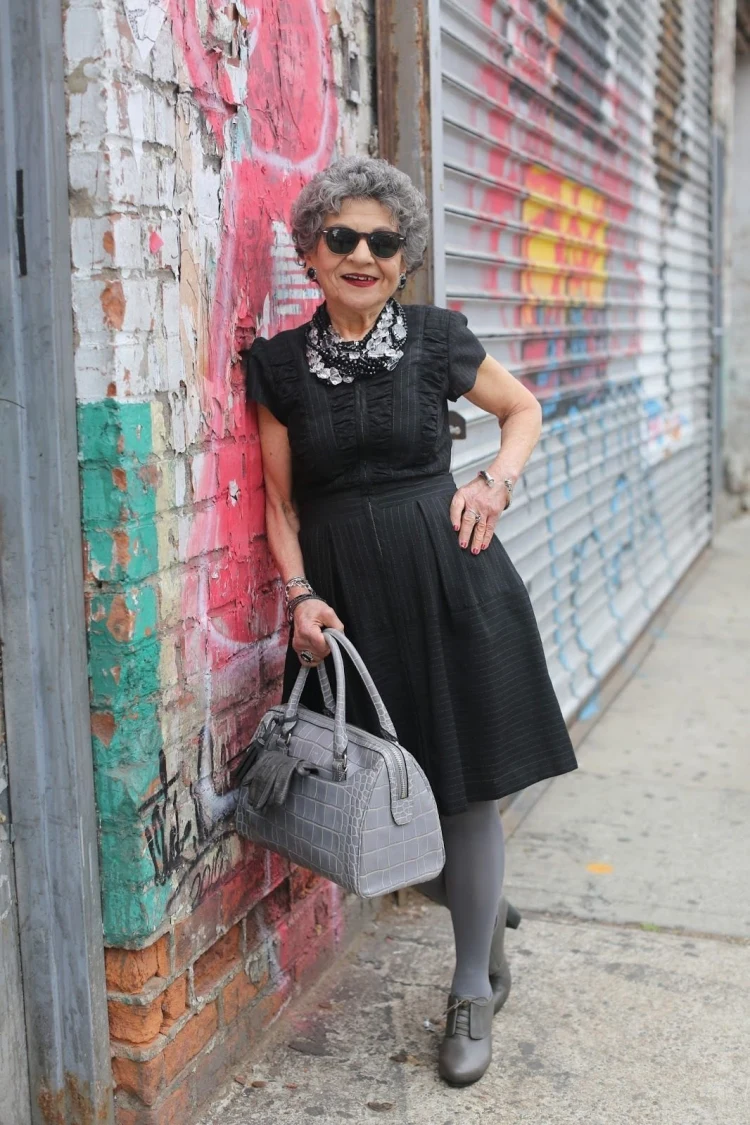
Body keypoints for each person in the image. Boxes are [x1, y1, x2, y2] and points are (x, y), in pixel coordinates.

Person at [244, 155, 578, 1086]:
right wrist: (302, 596)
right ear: (310, 251)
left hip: (452, 580)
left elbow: (522, 410)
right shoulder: (276, 365)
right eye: (342, 237)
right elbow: (281, 508)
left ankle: (472, 984)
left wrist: (496, 483)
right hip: (350, 604)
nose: (363, 254)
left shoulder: (437, 340)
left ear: (404, 258)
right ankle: (482, 904)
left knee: (467, 788)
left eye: (383, 242)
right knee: (380, 798)